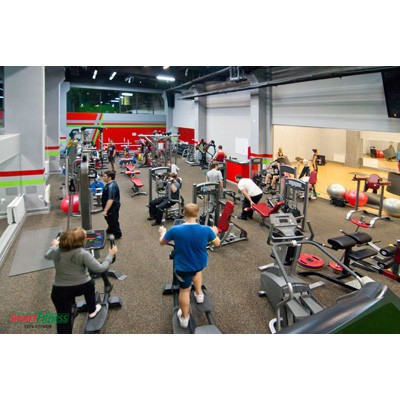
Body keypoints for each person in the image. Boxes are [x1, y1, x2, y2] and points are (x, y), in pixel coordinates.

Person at [45, 227, 118, 334]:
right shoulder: (83, 253)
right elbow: (101, 268)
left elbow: (47, 255)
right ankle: (92, 310)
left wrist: (56, 245)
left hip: (60, 291)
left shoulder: (56, 250)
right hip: (81, 287)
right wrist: (110, 255)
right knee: (90, 284)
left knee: (63, 319)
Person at [159, 203, 220, 329]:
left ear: (183, 213)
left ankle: (184, 318)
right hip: (200, 263)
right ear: (197, 214)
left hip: (183, 266)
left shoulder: (175, 230)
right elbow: (217, 244)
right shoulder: (206, 229)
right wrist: (214, 232)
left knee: (185, 290)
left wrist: (162, 232)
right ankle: (199, 295)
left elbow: (162, 242)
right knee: (197, 271)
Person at [102, 170, 122, 239]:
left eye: (105, 176)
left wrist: (105, 210)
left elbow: (110, 200)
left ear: (109, 178)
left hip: (112, 206)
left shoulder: (111, 186)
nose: (103, 177)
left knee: (113, 220)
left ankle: (117, 234)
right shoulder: (109, 184)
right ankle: (110, 229)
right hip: (110, 206)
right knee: (109, 219)